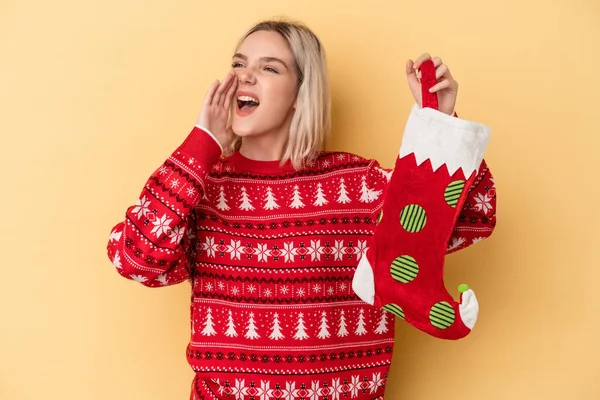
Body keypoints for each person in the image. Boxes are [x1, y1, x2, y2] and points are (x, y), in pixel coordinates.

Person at [106, 18, 496, 400]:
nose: (244, 76)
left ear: (300, 93)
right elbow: (134, 258)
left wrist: (441, 125)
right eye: (238, 64)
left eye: (268, 68)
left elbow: (474, 216)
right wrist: (202, 143)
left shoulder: (359, 185)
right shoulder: (203, 189)